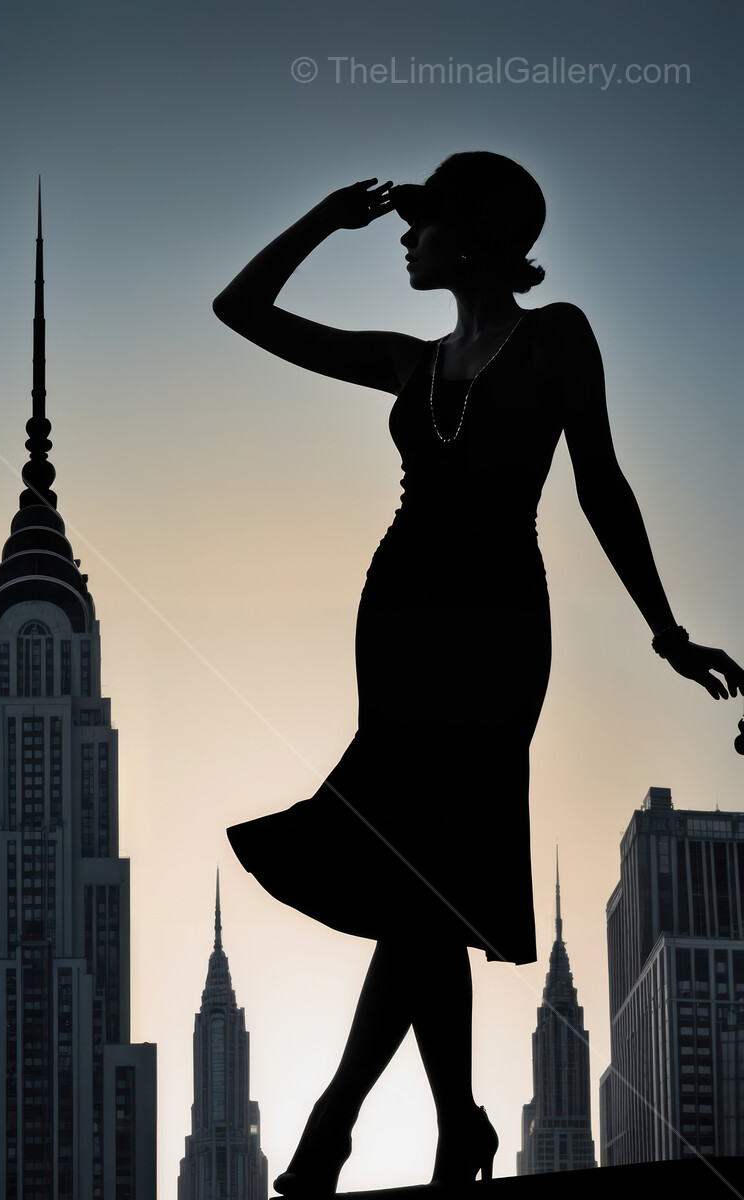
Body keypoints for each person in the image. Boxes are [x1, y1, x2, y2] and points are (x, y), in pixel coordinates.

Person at [213, 152, 744, 1192]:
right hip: (401, 616)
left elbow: (601, 483)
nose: (404, 243)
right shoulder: (409, 363)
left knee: (427, 878)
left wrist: (665, 628)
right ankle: (452, 1125)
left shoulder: (554, 336)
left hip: (498, 623)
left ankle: (346, 1121)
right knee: (427, 884)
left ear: (470, 234)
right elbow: (242, 309)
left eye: (421, 226)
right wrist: (326, 216)